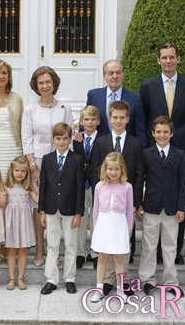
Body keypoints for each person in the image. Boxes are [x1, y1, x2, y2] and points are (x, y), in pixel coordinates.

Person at [140, 42, 185, 265]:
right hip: (155, 152)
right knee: (156, 196)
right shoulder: (147, 86)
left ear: (178, 59)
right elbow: (144, 119)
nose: (168, 61)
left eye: (171, 57)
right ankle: (155, 250)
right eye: (164, 57)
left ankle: (176, 250)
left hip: (181, 150)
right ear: (158, 60)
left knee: (177, 196)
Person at [89, 100, 144, 296]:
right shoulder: (101, 141)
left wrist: (136, 203)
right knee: (104, 253)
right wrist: (105, 184)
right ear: (110, 118)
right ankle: (106, 283)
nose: (119, 121)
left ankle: (123, 283)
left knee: (122, 251)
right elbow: (96, 168)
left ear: (127, 119)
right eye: (115, 117)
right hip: (105, 206)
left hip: (124, 206)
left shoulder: (136, 143)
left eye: (122, 117)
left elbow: (138, 174)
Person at [22, 66, 74, 267]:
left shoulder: (65, 109)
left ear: (54, 83)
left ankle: (56, 250)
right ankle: (40, 250)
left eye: (48, 82)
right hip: (38, 162)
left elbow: (68, 137)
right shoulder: (29, 110)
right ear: (36, 86)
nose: (45, 86)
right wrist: (33, 167)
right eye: (41, 82)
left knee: (58, 205)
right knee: (39, 206)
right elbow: (26, 139)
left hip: (60, 163)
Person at [136, 115, 185, 299]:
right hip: (151, 206)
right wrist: (139, 204)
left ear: (171, 134)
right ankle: (147, 281)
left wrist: (182, 208)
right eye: (158, 131)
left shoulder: (179, 155)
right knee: (149, 247)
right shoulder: (146, 154)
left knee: (170, 247)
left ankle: (171, 282)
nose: (162, 135)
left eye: (165, 131)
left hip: (172, 209)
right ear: (153, 133)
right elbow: (140, 179)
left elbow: (183, 184)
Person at [39, 123, 85, 295]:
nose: (62, 142)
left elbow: (80, 187)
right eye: (58, 138)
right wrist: (42, 210)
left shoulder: (77, 160)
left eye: (65, 138)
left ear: (70, 138)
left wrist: (78, 213)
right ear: (53, 139)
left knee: (71, 245)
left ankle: (70, 278)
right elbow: (43, 186)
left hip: (70, 209)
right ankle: (51, 279)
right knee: (52, 245)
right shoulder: (47, 159)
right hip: (51, 209)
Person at [89, 152, 133, 303]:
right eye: (110, 169)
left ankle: (121, 290)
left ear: (122, 170)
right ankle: (99, 289)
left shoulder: (127, 187)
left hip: (119, 226)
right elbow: (95, 209)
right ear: (105, 169)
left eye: (116, 169)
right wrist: (96, 228)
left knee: (119, 260)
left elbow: (129, 211)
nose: (113, 172)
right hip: (103, 225)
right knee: (102, 259)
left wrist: (128, 231)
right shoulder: (99, 186)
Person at [85, 59, 147, 146]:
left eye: (118, 72)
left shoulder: (135, 98)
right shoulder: (94, 96)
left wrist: (141, 151)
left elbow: (140, 129)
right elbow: (87, 115)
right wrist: (81, 132)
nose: (115, 76)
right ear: (104, 76)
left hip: (126, 148)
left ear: (123, 74)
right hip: (100, 147)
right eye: (111, 73)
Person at [4, 156, 38, 290]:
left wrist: (40, 184)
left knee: (23, 250)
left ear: (27, 173)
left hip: (24, 222)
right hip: (11, 222)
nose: (19, 173)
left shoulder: (28, 187)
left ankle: (20, 278)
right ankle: (11, 278)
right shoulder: (6, 187)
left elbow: (38, 200)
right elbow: (2, 206)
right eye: (17, 170)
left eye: (23, 171)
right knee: (11, 250)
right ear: (12, 171)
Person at [73, 105, 100, 269]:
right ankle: (80, 253)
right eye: (86, 119)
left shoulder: (104, 139)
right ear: (81, 121)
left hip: (98, 185)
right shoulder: (76, 141)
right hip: (81, 184)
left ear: (98, 121)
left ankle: (96, 252)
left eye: (93, 119)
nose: (89, 122)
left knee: (96, 220)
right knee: (82, 219)